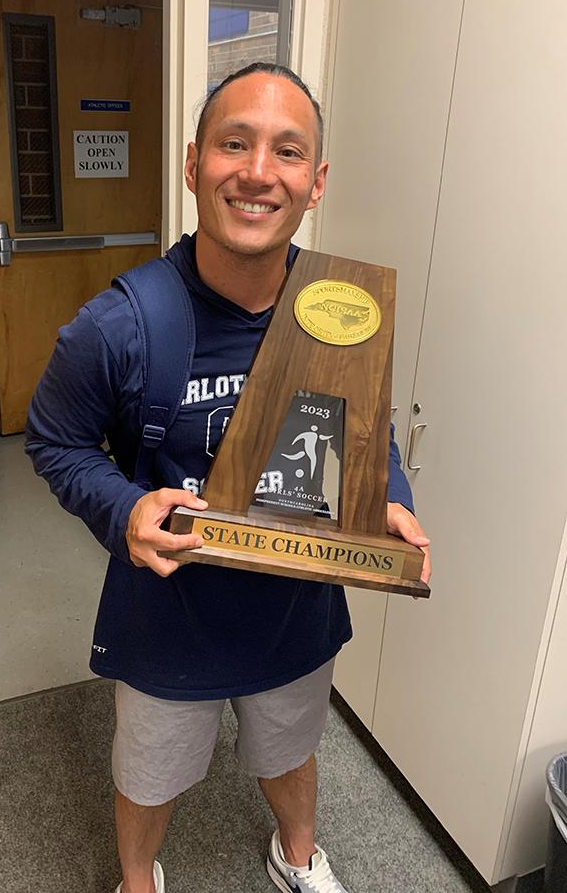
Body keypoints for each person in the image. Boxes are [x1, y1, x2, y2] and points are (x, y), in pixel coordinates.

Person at [25, 62, 431, 893]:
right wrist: (127, 507)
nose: (256, 171)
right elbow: (55, 441)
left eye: (287, 152)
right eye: (233, 143)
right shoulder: (121, 324)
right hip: (169, 618)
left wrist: (389, 494)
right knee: (149, 773)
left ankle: (296, 858)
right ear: (192, 164)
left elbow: (367, 431)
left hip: (294, 609)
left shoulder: (341, 309)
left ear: (315, 183)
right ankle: (137, 880)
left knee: (290, 746)